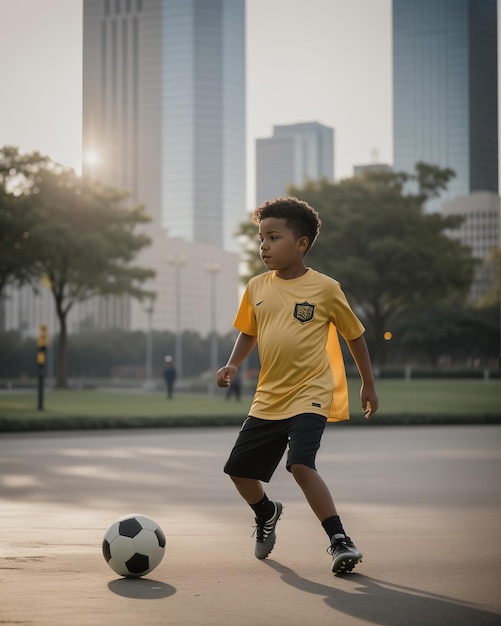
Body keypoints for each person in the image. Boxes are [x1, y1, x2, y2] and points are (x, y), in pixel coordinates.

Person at [216, 197, 378, 575]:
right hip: (268, 399)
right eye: (261, 239)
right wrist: (232, 363)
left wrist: (367, 383)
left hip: (311, 394)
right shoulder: (257, 286)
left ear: (301, 244)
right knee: (238, 470)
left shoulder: (325, 288)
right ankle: (266, 511)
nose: (264, 246)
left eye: (274, 237)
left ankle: (340, 539)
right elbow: (248, 332)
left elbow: (354, 336)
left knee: (301, 465)